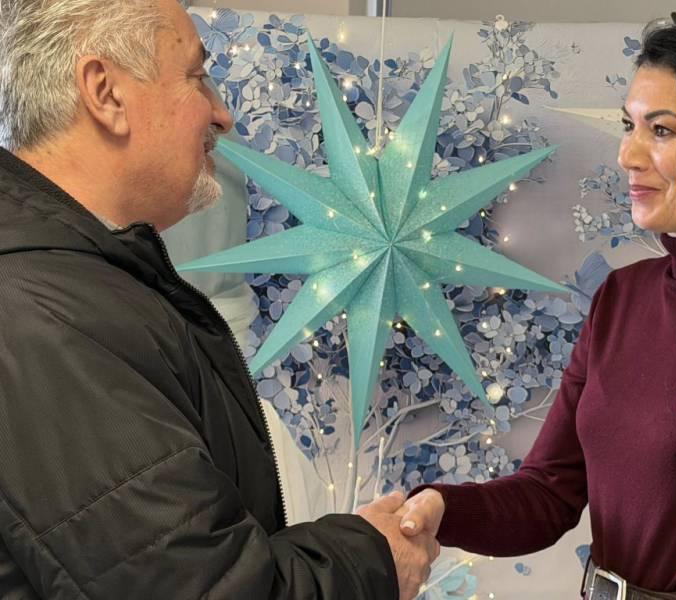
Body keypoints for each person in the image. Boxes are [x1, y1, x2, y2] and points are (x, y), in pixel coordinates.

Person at [0, 0, 438, 598]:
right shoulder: (45, 317)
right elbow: (199, 587)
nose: (223, 115)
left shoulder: (71, 289)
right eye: (196, 76)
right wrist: (373, 559)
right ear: (105, 92)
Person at [398, 14, 676, 599]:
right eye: (628, 125)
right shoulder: (620, 297)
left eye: (661, 130)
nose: (628, 155)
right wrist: (437, 507)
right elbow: (548, 493)